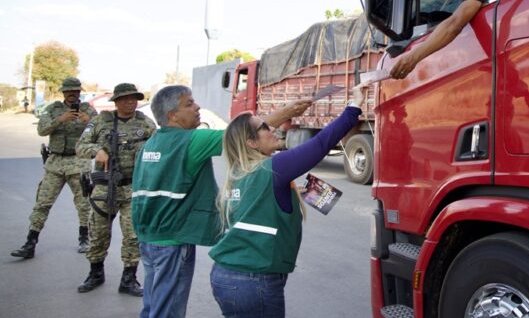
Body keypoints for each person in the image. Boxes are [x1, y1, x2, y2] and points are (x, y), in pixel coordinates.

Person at [132, 85, 312, 318]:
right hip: (172, 240)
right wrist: (287, 112)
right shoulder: (190, 140)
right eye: (189, 104)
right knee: (167, 311)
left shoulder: (151, 143)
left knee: (152, 304)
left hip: (147, 238)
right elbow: (241, 135)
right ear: (172, 115)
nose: (197, 107)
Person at [208, 86, 368, 318]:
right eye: (264, 127)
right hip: (253, 280)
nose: (273, 128)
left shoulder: (238, 172)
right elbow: (320, 144)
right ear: (251, 143)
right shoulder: (272, 168)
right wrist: (354, 106)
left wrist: (291, 194)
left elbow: (255, 206)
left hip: (227, 276)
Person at [75, 83, 157, 296]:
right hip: (105, 186)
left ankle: (129, 279)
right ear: (116, 101)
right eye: (126, 98)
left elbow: (159, 150)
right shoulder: (100, 121)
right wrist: (97, 150)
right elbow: (80, 146)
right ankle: (96, 273)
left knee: (133, 236)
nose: (131, 102)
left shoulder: (146, 123)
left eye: (134, 98)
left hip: (133, 187)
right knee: (98, 233)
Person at [10, 77, 97, 259]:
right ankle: (30, 242)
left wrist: (88, 121)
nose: (72, 94)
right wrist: (60, 120)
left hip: (78, 162)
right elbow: (41, 130)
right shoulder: (53, 109)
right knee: (42, 203)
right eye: (69, 91)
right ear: (63, 92)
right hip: (55, 163)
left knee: (84, 205)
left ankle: (84, 239)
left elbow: (100, 132)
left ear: (79, 92)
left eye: (76, 91)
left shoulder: (88, 110)